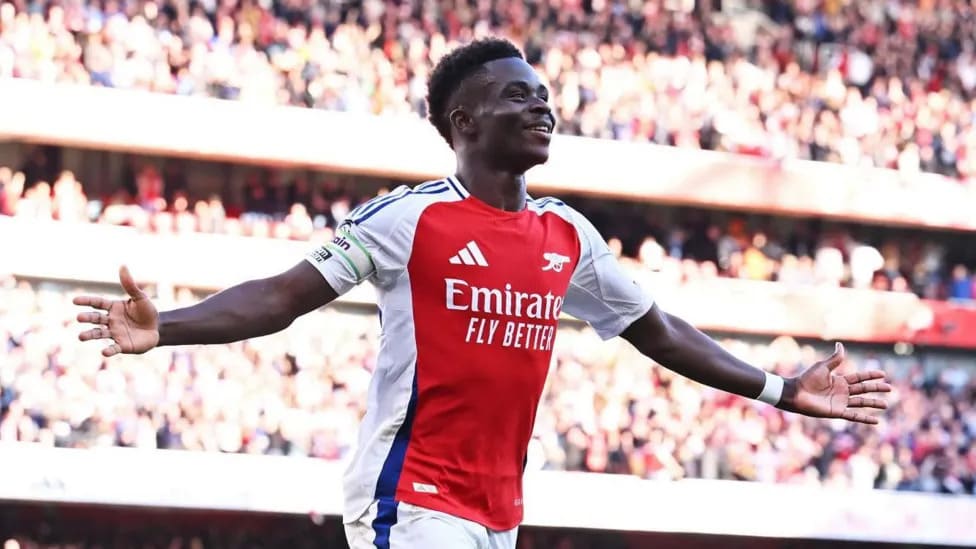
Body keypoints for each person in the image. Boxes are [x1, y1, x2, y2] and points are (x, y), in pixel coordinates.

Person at [74, 37, 891, 549]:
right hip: (409, 490)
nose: (541, 106)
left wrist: (783, 389)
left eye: (543, 96)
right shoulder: (412, 218)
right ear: (463, 122)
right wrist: (167, 326)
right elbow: (282, 295)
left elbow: (660, 332)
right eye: (517, 96)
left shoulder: (568, 236)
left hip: (499, 506)